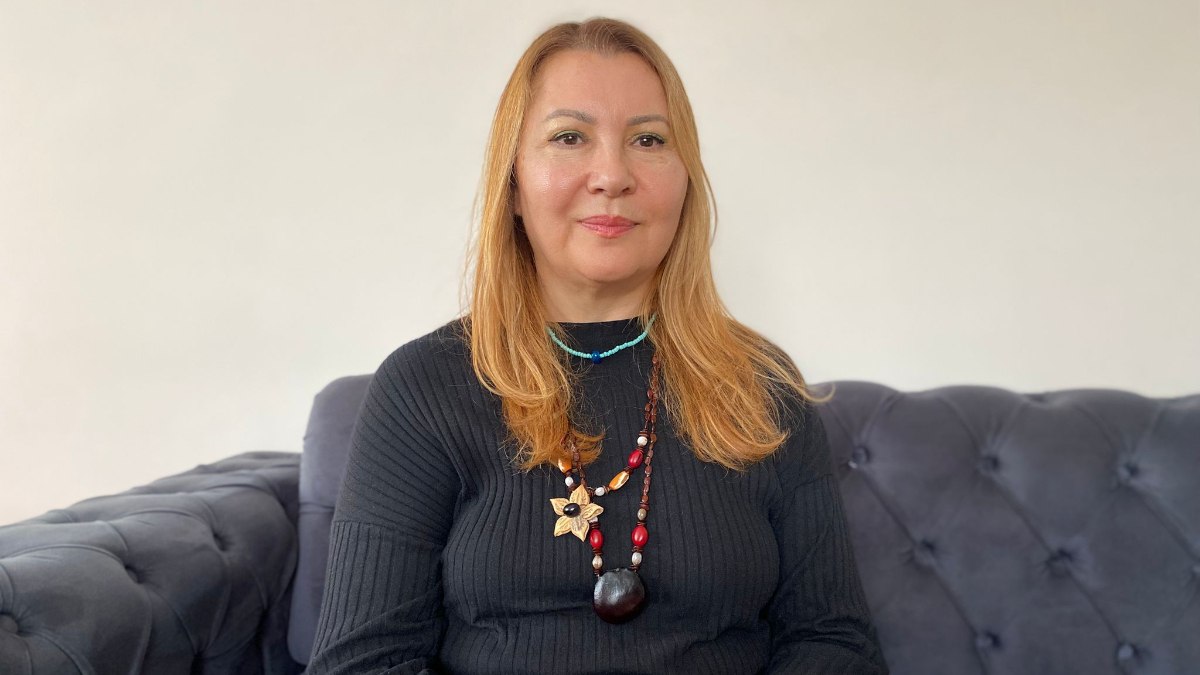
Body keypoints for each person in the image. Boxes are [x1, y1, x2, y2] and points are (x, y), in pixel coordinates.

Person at [308, 17, 888, 675]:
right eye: (569, 137)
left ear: (686, 180)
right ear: (513, 184)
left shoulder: (761, 382)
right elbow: (363, 662)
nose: (612, 174)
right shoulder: (423, 386)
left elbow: (834, 643)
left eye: (648, 139)